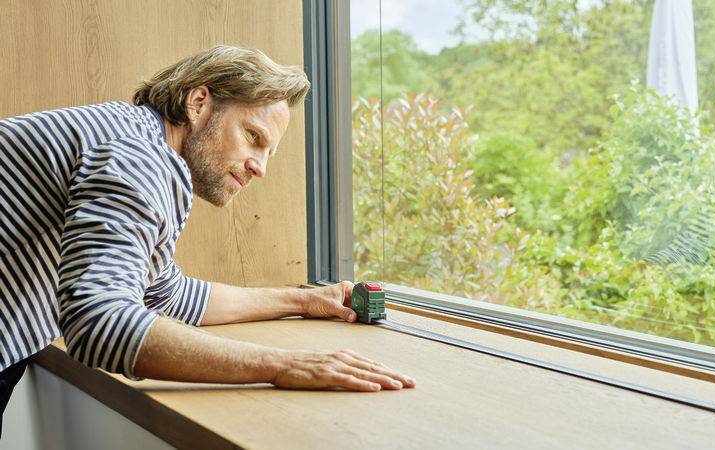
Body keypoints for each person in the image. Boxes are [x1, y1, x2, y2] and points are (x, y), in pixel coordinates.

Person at [0, 45, 415, 436]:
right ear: (198, 103)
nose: (260, 168)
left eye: (270, 151)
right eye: (253, 137)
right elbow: (99, 325)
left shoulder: (135, 142)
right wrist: (284, 364)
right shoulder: (137, 157)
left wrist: (304, 301)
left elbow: (164, 295)